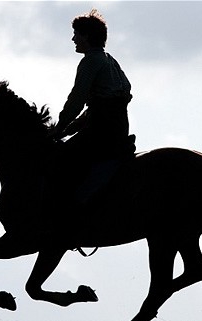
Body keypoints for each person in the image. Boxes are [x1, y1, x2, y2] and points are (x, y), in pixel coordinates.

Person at [52, 9, 135, 206]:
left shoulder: (90, 61)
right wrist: (69, 129)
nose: (73, 38)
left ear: (86, 36)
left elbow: (77, 99)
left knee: (59, 160)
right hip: (118, 129)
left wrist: (60, 126)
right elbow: (99, 106)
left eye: (76, 34)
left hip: (101, 132)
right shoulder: (110, 60)